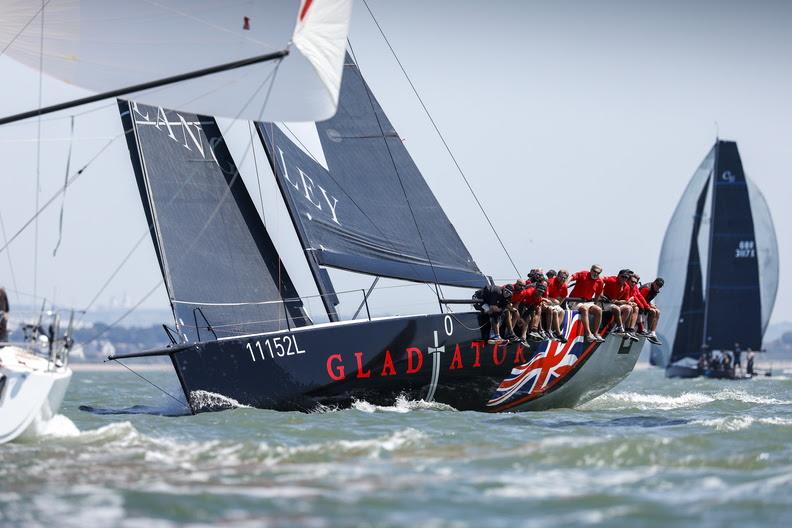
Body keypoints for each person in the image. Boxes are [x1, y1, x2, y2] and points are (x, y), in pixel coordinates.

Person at [568, 265, 605, 343]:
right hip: (574, 301)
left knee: (598, 310)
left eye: (598, 273)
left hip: (587, 301)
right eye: (594, 271)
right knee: (584, 308)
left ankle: (596, 333)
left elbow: (598, 294)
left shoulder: (600, 281)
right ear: (591, 270)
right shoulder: (583, 274)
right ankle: (588, 334)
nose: (595, 274)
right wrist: (565, 284)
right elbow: (572, 277)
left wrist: (595, 304)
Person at [601, 270, 638, 340]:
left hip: (615, 304)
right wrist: (600, 294)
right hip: (605, 303)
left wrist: (618, 301)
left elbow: (626, 300)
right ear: (618, 275)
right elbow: (600, 279)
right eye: (623, 276)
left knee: (629, 308)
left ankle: (618, 329)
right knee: (617, 308)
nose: (624, 279)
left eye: (626, 278)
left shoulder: (626, 286)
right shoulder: (612, 279)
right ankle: (619, 327)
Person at [545, 269, 569, 343]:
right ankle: (555, 332)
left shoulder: (564, 285)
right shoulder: (550, 282)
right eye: (561, 277)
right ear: (557, 276)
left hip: (553, 303)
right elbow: (544, 295)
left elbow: (564, 296)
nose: (563, 279)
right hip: (546, 301)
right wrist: (553, 300)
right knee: (554, 311)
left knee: (562, 311)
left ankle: (555, 331)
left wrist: (559, 303)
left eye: (565, 278)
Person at [639, 277, 664, 344]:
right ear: (654, 282)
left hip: (645, 304)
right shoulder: (647, 288)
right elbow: (640, 299)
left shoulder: (656, 290)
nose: (658, 287)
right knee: (653, 311)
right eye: (657, 285)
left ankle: (653, 333)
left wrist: (650, 304)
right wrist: (649, 306)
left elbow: (647, 299)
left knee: (658, 312)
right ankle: (649, 331)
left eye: (660, 286)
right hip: (639, 305)